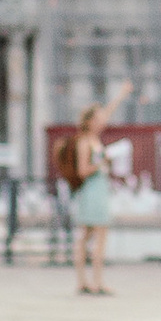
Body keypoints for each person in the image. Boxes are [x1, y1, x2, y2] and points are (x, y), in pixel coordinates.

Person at [67, 99, 113, 297]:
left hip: (97, 189)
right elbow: (83, 170)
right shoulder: (85, 142)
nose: (102, 121)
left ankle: (86, 281)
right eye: (98, 119)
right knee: (95, 237)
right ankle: (94, 282)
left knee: (86, 238)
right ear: (90, 121)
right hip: (92, 190)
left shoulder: (93, 139)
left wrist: (120, 95)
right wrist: (102, 162)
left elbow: (109, 112)